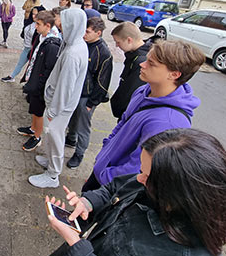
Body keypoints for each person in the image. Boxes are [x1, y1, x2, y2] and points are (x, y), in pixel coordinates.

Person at [38, 128, 226, 256]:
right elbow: (113, 189)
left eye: (146, 175)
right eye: (141, 171)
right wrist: (88, 203)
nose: (138, 178)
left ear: (181, 193)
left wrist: (77, 247)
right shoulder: (150, 183)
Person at [83, 40, 205, 192]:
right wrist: (102, 159)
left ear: (174, 74)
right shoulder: (144, 90)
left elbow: (139, 168)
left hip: (112, 188)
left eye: (151, 63)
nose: (142, 64)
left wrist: (104, 177)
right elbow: (122, 123)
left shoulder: (168, 122)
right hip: (103, 173)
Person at [28, 9, 88, 188]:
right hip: (60, 104)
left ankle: (52, 175)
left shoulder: (72, 54)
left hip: (60, 106)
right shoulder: (75, 44)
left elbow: (65, 87)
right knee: (54, 137)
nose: (60, 26)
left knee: (55, 136)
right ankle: (52, 162)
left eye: (63, 23)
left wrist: (53, 110)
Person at [65, 17, 113, 169]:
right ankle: (71, 139)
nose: (84, 34)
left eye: (87, 32)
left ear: (98, 33)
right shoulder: (83, 44)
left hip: (87, 97)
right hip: (76, 92)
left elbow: (103, 81)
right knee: (72, 119)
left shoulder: (103, 52)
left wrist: (92, 103)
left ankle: (79, 153)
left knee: (83, 126)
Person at [18, 11, 62, 151]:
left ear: (47, 26)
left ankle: (37, 137)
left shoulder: (52, 44)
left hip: (40, 86)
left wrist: (40, 87)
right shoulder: (42, 36)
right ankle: (32, 128)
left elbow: (49, 69)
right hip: (34, 80)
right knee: (33, 108)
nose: (35, 26)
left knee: (38, 111)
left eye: (38, 24)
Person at [109, 22, 152, 120]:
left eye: (118, 42)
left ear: (129, 40)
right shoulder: (134, 56)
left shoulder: (140, 63)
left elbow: (131, 93)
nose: (116, 46)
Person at [1, 5, 45, 83]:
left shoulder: (41, 26)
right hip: (26, 48)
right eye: (33, 14)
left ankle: (29, 83)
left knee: (32, 68)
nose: (33, 16)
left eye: (36, 14)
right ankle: (12, 76)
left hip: (33, 50)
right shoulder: (30, 23)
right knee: (20, 64)